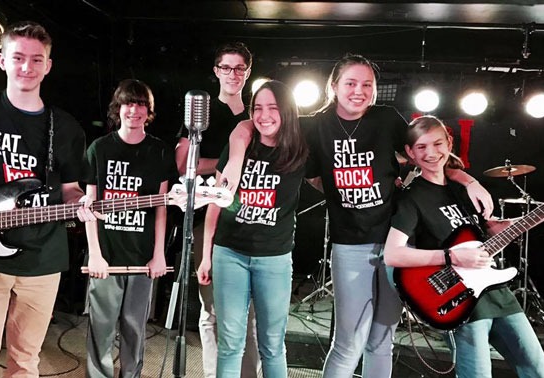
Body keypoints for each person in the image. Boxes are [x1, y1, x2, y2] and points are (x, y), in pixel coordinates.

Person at [222, 54, 493, 378]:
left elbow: (427, 152)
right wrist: (237, 154)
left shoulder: (387, 118)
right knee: (348, 344)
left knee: (382, 341)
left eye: (367, 84)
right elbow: (252, 124)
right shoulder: (316, 125)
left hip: (396, 243)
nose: (358, 91)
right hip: (350, 246)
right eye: (350, 83)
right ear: (334, 86)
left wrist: (468, 179)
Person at [0, 21, 96, 378]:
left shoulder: (67, 127)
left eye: (36, 59)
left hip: (44, 259)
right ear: (2, 61)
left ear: (48, 65)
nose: (27, 67)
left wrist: (81, 204)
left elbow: (71, 188)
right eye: (18, 57)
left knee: (26, 361)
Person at [384, 115, 544, 378]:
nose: (431, 153)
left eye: (437, 144)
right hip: (460, 297)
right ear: (410, 152)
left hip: (497, 291)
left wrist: (541, 214)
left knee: (539, 369)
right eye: (421, 147)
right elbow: (393, 253)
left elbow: (491, 230)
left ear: (449, 142)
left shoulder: (463, 188)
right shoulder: (411, 198)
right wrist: (452, 256)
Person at [197, 80, 308, 378]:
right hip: (229, 253)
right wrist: (206, 255)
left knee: (272, 344)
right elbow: (216, 204)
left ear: (287, 111)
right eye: (258, 108)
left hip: (274, 258)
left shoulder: (300, 147)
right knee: (230, 343)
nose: (264, 115)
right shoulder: (243, 139)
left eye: (273, 108)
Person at [175, 42, 260, 378]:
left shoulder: (257, 118)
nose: (233, 74)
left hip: (250, 220)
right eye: (226, 67)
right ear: (216, 71)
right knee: (211, 310)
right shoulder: (200, 116)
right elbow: (183, 166)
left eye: (240, 68)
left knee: (249, 314)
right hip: (205, 222)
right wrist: (230, 165)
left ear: (248, 72)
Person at [84, 79, 175, 377]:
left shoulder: (160, 151)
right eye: (127, 103)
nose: (133, 110)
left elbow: (161, 207)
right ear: (117, 108)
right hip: (106, 256)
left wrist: (158, 254)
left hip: (142, 257)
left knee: (135, 328)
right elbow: (89, 207)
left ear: (148, 110)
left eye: (140, 104)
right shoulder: (99, 148)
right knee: (101, 329)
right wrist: (95, 255)